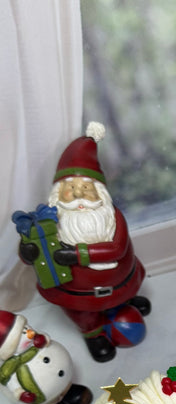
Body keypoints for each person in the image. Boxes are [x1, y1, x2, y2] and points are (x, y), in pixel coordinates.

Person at [16, 122, 150, 362]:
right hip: (78, 295)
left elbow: (117, 249)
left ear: (100, 192)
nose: (78, 194)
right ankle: (93, 333)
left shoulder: (112, 217)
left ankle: (124, 303)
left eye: (86, 187)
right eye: (70, 188)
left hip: (122, 281)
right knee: (82, 314)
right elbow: (39, 252)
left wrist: (77, 255)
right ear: (58, 194)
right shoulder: (50, 223)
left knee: (129, 286)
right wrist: (28, 251)